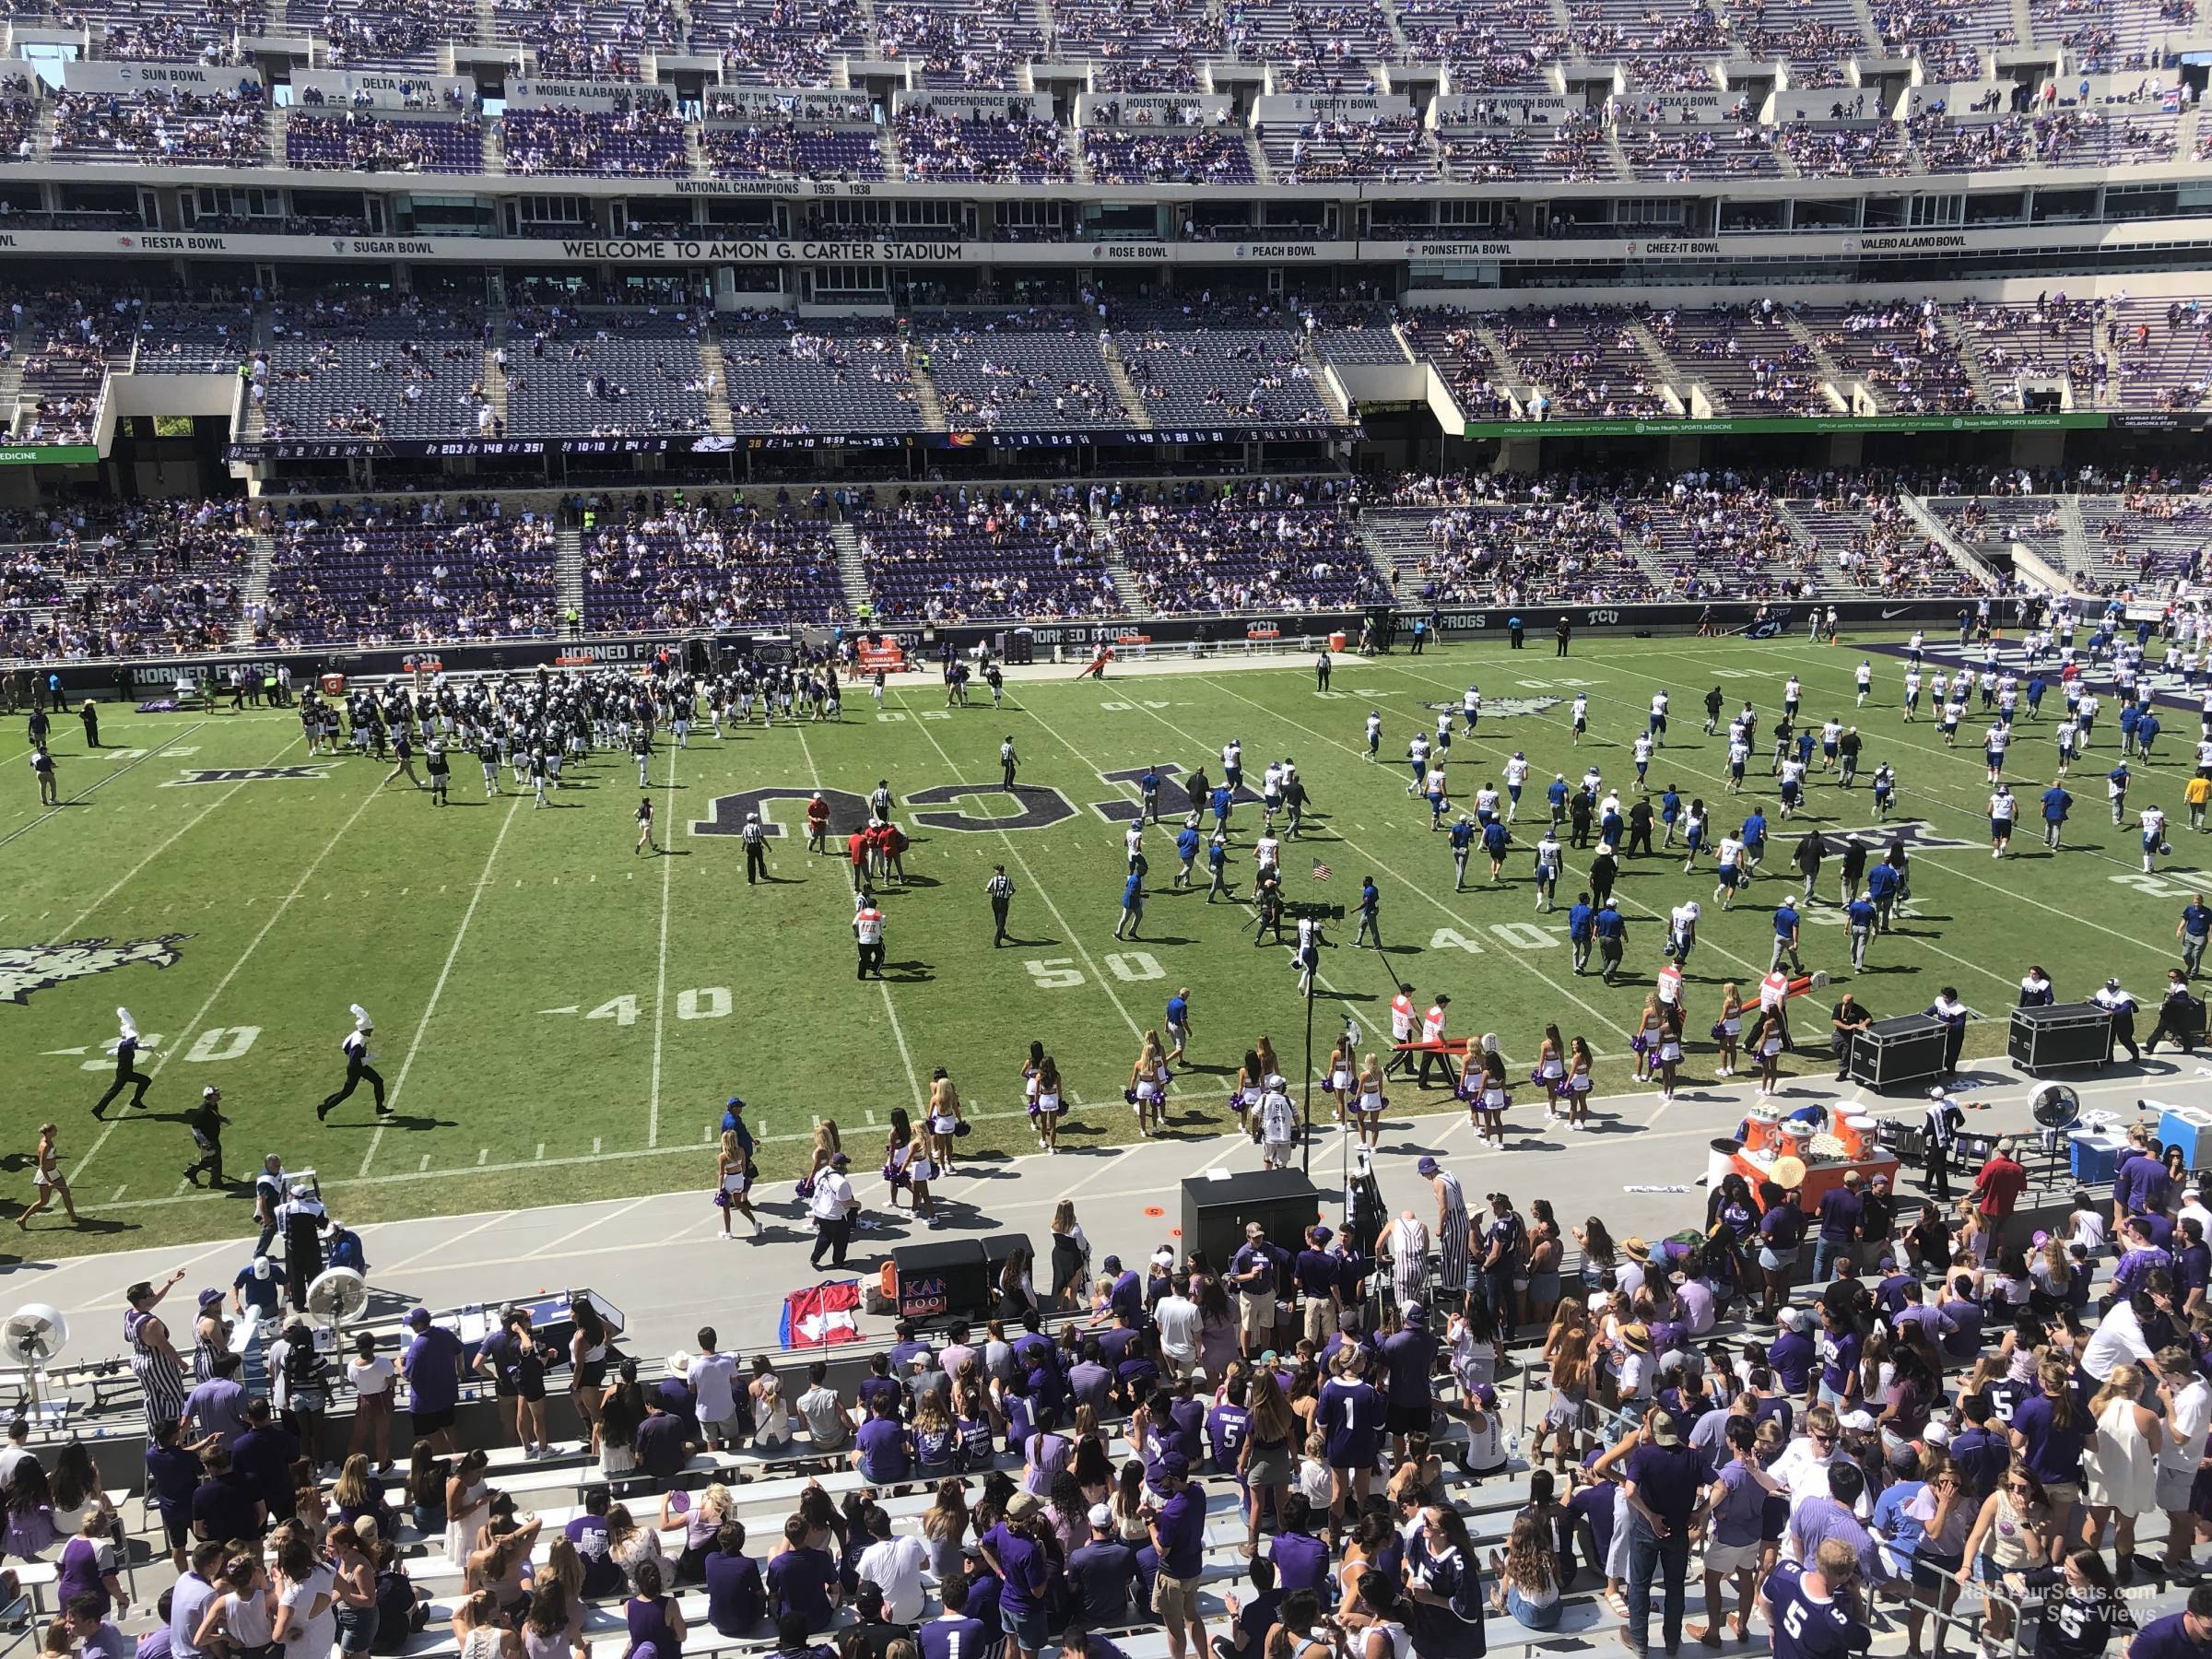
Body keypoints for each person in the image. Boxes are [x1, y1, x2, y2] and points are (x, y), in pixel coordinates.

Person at [808, 1153, 859, 1269]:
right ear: (842, 1166)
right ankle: (839, 1261)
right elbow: (845, 1202)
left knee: (824, 1235)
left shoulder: (824, 1171)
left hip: (820, 1212)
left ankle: (815, 1258)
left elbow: (816, 1183)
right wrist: (857, 1204)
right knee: (841, 1240)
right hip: (835, 1215)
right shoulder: (841, 1182)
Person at [987, 866, 1016, 947]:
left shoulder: (994, 879)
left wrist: (994, 891)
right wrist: (1008, 896)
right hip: (1003, 902)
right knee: (1001, 922)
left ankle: (1001, 933)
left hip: (995, 901)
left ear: (997, 871)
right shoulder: (1008, 880)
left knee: (998, 919)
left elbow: (987, 889)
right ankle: (997, 941)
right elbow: (1013, 890)